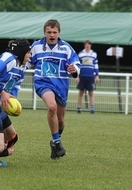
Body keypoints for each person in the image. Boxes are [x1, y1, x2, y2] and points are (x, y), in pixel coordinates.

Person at [26, 19, 81, 160]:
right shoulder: (36, 46)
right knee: (51, 107)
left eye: (54, 32)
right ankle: (57, 142)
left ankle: (55, 142)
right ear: (44, 32)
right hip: (43, 83)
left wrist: (74, 69)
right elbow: (26, 63)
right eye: (49, 32)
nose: (52, 35)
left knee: (61, 120)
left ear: (59, 33)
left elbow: (76, 66)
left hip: (61, 86)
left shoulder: (66, 48)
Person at [76, 40, 99, 114]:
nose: (87, 46)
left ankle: (92, 108)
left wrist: (97, 75)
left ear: (90, 45)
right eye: (86, 44)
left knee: (91, 93)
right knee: (81, 92)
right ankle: (79, 108)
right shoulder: (80, 54)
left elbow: (96, 65)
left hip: (90, 76)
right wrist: (77, 76)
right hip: (82, 75)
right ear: (84, 45)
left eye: (88, 44)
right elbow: (77, 65)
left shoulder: (94, 54)